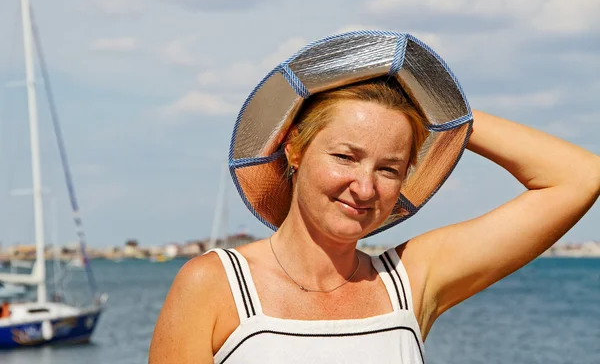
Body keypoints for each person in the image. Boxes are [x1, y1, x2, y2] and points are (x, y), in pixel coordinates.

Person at [149, 32, 599, 363]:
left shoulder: (410, 280)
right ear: (294, 148)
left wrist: (442, 110)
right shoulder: (214, 284)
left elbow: (580, 177)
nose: (365, 189)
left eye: (389, 169)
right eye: (346, 156)